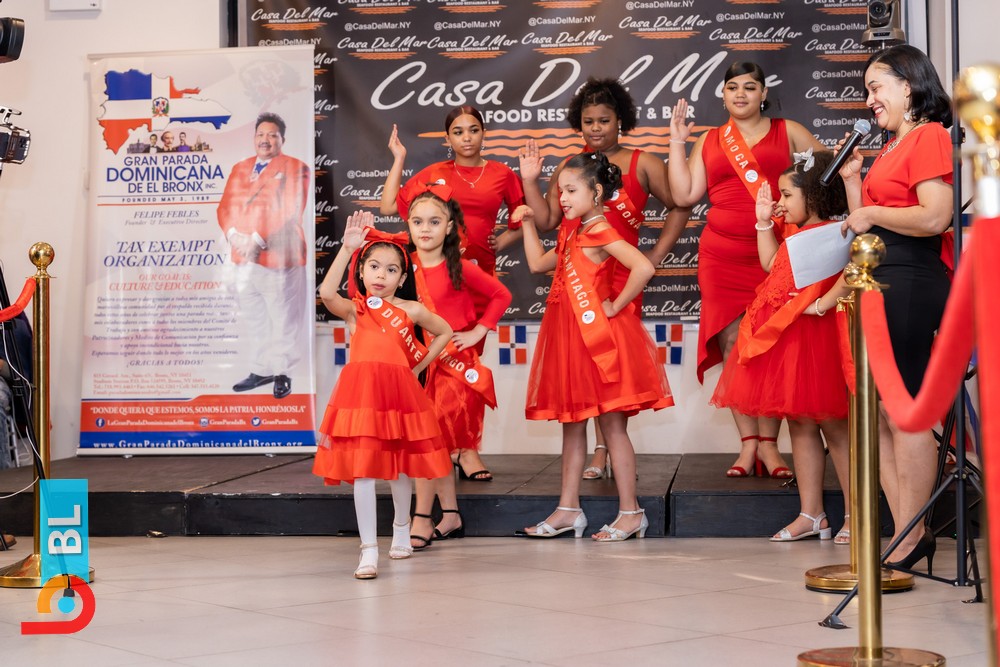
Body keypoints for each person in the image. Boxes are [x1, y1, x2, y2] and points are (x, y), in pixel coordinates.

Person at [527, 77, 691, 480]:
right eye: (588, 121)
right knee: (584, 367)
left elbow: (680, 204)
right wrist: (529, 183)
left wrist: (655, 255)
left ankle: (608, 446)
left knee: (613, 367)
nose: (596, 128)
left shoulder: (644, 162)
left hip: (620, 278)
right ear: (578, 123)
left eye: (604, 120)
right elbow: (547, 220)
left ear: (621, 120)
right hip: (579, 274)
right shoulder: (571, 168)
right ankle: (601, 450)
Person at [669, 61, 826, 479]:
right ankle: (748, 444)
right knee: (733, 343)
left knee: (770, 343)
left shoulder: (789, 130)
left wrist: (794, 204)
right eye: (733, 87)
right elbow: (684, 194)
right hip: (720, 256)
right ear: (723, 95)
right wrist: (677, 142)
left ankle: (771, 446)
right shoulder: (709, 139)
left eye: (750, 87)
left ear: (763, 94)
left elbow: (825, 174)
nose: (741, 94)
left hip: (775, 251)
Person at [380, 105, 547, 481]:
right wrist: (399, 159)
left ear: (484, 133)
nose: (467, 137)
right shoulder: (434, 173)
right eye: (458, 131)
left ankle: (467, 449)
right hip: (436, 280)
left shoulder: (502, 174)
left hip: (477, 280)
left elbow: (524, 217)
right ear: (448, 138)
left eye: (474, 129)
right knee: (434, 367)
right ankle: (438, 446)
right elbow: (389, 206)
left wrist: (501, 242)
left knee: (467, 370)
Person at [837, 44, 954, 571]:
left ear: (908, 86)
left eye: (876, 87)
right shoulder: (890, 145)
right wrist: (852, 182)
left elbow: (934, 217)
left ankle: (913, 534)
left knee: (903, 411)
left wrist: (872, 213)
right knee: (879, 413)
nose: (869, 100)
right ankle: (904, 529)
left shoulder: (928, 135)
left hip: (909, 280)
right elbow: (867, 222)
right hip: (879, 277)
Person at [516, 152, 673, 542]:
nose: (563, 198)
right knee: (572, 427)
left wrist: (616, 305)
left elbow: (643, 267)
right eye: (561, 191)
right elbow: (537, 264)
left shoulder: (600, 228)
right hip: (570, 338)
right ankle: (568, 509)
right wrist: (529, 224)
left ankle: (631, 512)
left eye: (571, 191)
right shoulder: (574, 231)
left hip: (598, 338)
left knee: (612, 427)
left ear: (597, 192)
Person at [712, 151, 852, 542]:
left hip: (818, 338)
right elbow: (770, 263)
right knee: (800, 424)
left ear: (815, 196)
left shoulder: (839, 232)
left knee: (836, 428)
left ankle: (855, 516)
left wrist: (820, 305)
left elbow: (849, 278)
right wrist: (762, 222)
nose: (781, 203)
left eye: (787, 195)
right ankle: (812, 514)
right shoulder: (793, 231)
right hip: (788, 337)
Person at [314, 211, 454, 579]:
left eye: (391, 270)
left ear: (403, 278)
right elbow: (326, 293)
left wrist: (418, 367)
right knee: (363, 472)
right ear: (362, 272)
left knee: (399, 468)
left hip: (399, 396)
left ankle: (401, 529)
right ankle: (368, 549)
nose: (381, 275)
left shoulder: (412, 310)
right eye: (374, 267)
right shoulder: (356, 310)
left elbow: (444, 331)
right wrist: (347, 249)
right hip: (361, 397)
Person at [403, 184, 512, 549]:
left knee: (430, 443)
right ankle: (450, 515)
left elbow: (501, 294)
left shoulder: (460, 267)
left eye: (435, 221)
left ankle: (421, 518)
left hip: (452, 369)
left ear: (449, 226)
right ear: (408, 224)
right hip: (418, 366)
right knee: (437, 444)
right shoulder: (402, 266)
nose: (425, 228)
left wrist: (480, 329)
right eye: (418, 221)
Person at [217, 112, 310, 399]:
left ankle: (282, 373)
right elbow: (225, 207)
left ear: (282, 139)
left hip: (279, 257)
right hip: (243, 259)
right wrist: (233, 235)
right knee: (256, 318)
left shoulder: (296, 168)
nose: (265, 140)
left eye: (272, 135)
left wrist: (256, 239)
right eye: (260, 134)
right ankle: (261, 370)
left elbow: (289, 209)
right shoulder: (240, 167)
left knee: (283, 318)